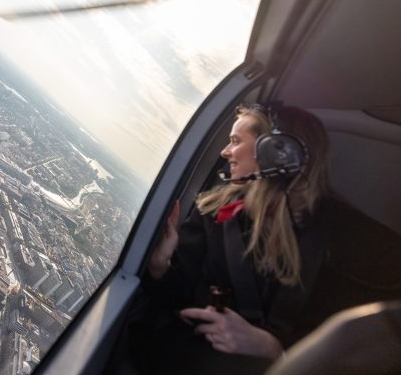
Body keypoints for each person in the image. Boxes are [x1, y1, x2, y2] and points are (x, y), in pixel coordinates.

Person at [138, 104, 401, 374]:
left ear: (278, 153)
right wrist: (161, 268)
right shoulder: (215, 214)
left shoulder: (349, 241)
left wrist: (276, 349)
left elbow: (368, 343)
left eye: (236, 141)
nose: (224, 152)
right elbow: (185, 301)